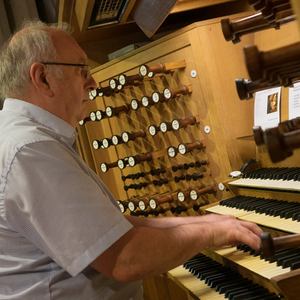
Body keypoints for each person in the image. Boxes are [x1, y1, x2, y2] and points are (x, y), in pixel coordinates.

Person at [0, 21, 262, 300]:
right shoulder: (30, 149)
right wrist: (210, 237)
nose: (93, 82)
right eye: (81, 70)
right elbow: (125, 258)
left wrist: (206, 223)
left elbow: (110, 229)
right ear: (43, 78)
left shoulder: (26, 138)